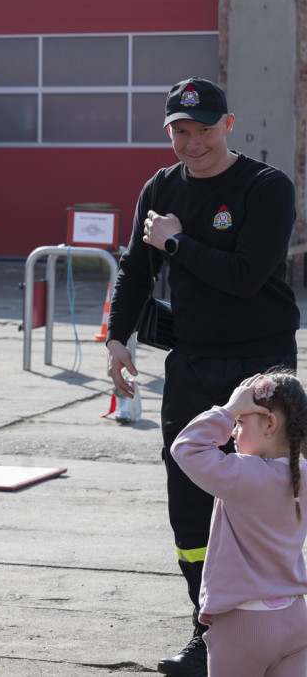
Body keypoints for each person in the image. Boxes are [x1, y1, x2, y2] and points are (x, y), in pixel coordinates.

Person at [105, 76, 300, 676]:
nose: (192, 144)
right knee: (189, 506)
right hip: (190, 361)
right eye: (180, 132)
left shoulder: (266, 187)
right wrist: (117, 337)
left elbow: (244, 275)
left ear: (229, 124)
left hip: (261, 366)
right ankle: (208, 628)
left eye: (204, 130)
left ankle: (284, 622)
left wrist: (179, 243)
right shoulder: (160, 187)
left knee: (270, 504)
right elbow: (136, 270)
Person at [171, 371, 307, 676]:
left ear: (270, 424)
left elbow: (186, 448)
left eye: (240, 423)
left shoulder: (242, 475)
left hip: (243, 623)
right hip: (296, 619)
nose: (233, 431)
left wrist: (226, 410)